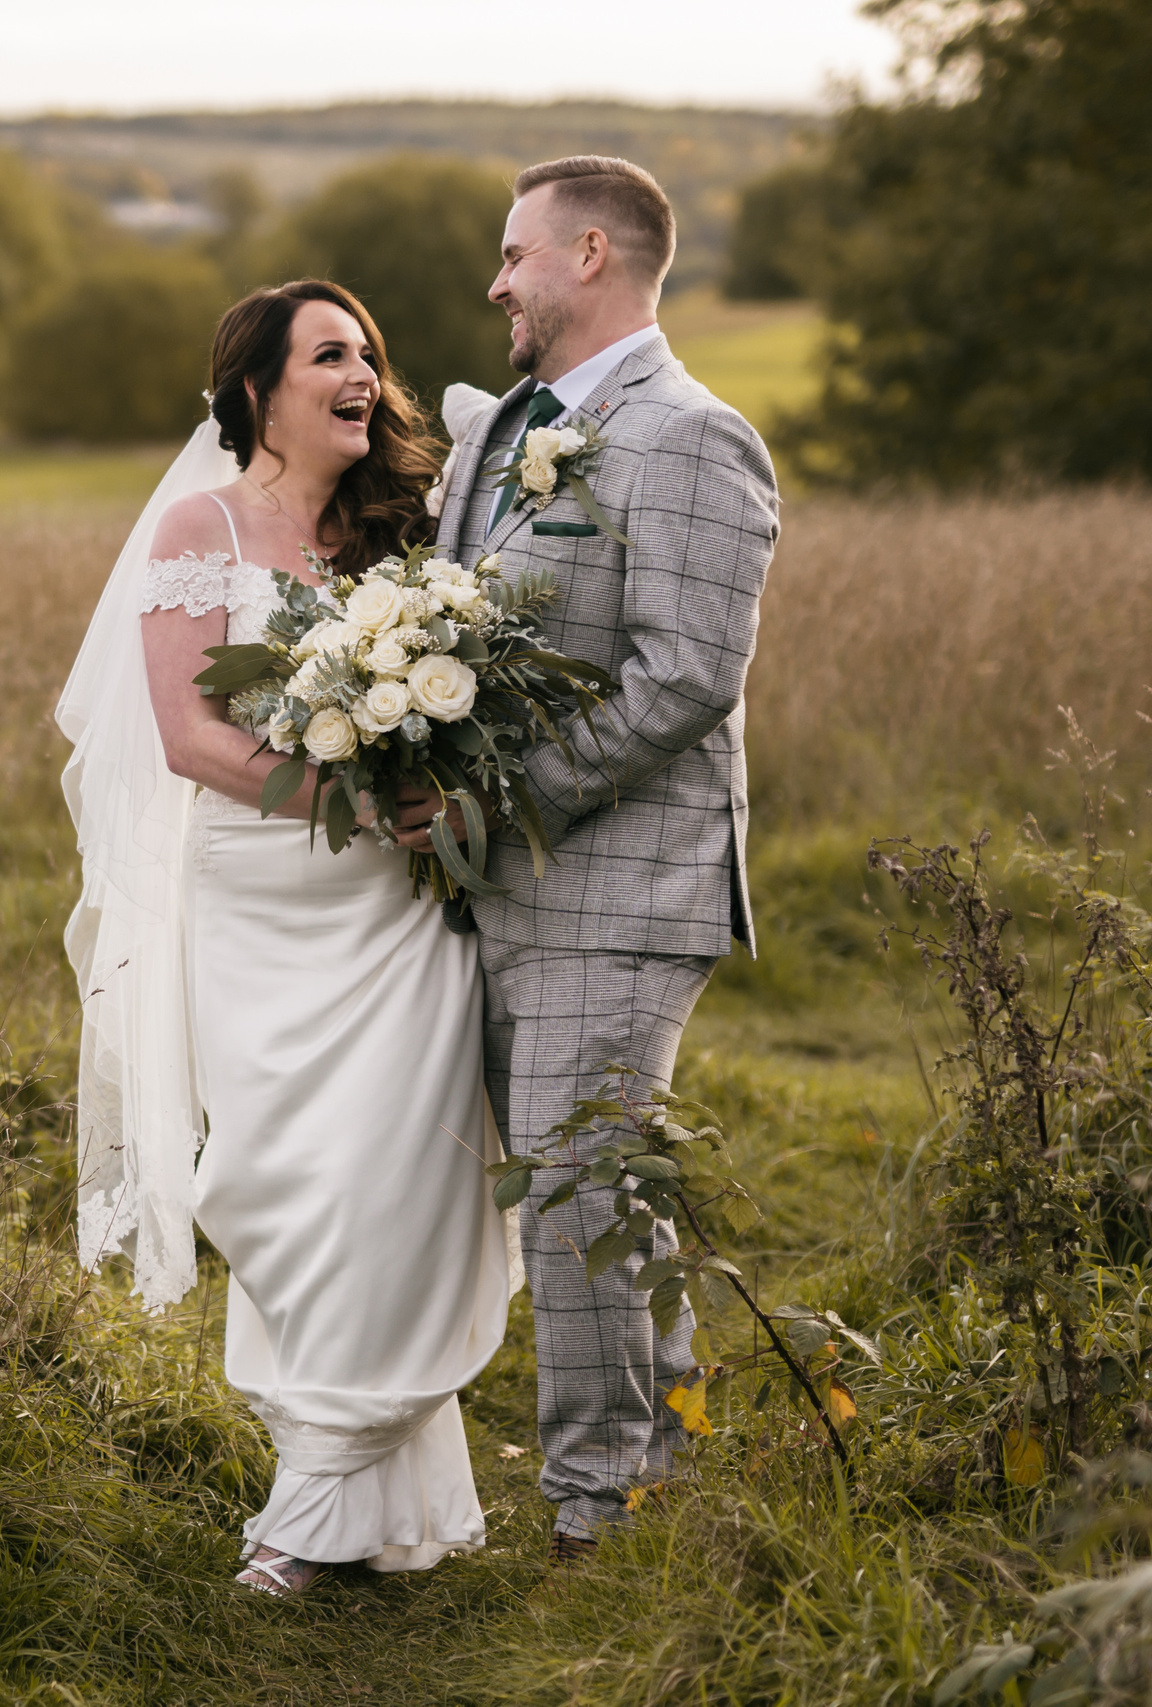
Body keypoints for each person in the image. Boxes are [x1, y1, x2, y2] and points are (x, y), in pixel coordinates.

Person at [57, 281, 515, 1598]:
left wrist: (427, 803)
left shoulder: (401, 537)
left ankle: (310, 1522)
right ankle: (350, 1493)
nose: (362, 372)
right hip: (263, 908)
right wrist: (367, 801)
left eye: (370, 353)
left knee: (403, 1188)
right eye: (330, 355)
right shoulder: (199, 526)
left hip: (398, 920)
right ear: (256, 388)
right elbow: (193, 736)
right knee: (294, 1189)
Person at [406, 155, 779, 1561]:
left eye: (512, 256)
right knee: (597, 1198)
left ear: (588, 253)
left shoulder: (692, 435)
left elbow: (685, 677)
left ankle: (597, 1519)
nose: (494, 283)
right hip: (507, 889)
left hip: (617, 891)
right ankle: (656, 1473)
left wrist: (504, 800)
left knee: (574, 1202)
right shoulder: (513, 424)